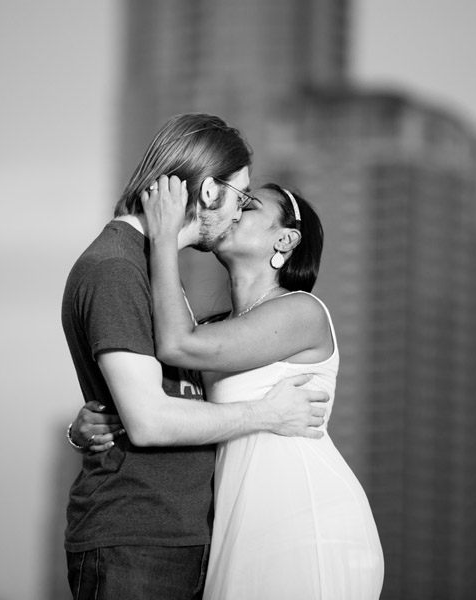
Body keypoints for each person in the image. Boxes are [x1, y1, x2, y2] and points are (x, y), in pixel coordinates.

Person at [61, 113, 329, 600]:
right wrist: (266, 414)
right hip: (137, 538)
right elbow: (148, 421)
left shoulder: (148, 267)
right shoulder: (117, 269)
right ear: (208, 192)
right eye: (241, 196)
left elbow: (153, 392)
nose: (238, 211)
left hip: (181, 536)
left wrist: (88, 425)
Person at [138, 175, 385, 598]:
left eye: (248, 206)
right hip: (239, 529)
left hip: (308, 524)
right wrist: (96, 424)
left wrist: (163, 238)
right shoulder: (215, 331)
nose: (232, 210)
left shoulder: (302, 311)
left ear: (286, 240)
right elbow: (167, 413)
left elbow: (177, 344)